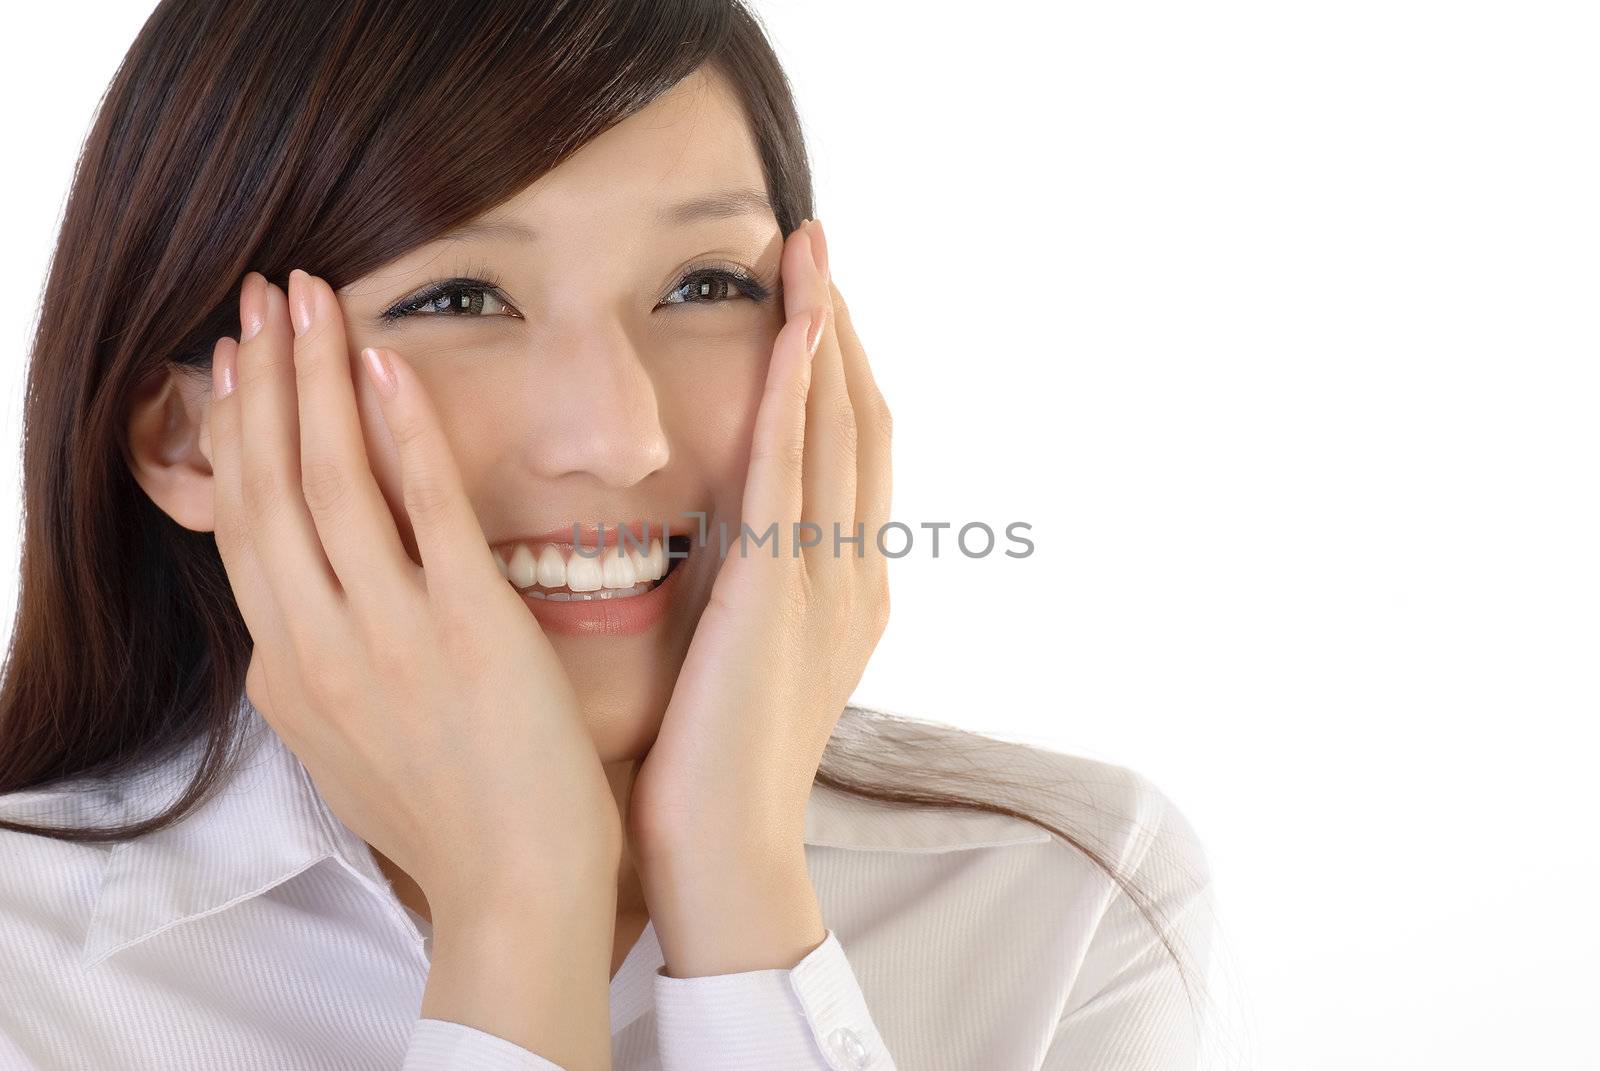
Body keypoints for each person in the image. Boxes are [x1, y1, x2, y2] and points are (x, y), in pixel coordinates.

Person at [0, 1, 1218, 1068]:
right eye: (458, 297)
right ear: (188, 438)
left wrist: (742, 893)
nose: (620, 435)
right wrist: (518, 911)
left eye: (704, 286)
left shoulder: (1056, 896)